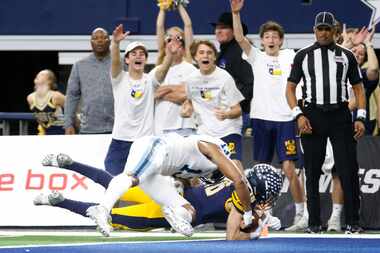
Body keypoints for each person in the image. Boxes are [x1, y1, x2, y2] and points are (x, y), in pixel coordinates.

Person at [53, 133, 254, 237]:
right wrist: (247, 213)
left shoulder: (204, 165)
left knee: (187, 210)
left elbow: (184, 175)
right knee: (132, 178)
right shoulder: (213, 148)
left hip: (158, 170)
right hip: (155, 148)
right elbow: (239, 180)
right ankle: (102, 209)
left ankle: (175, 214)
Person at [35, 159, 282, 240]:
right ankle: (58, 201)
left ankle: (69, 163)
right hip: (173, 211)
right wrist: (258, 225)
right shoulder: (242, 201)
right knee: (115, 218)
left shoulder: (236, 174)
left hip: (170, 192)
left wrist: (261, 217)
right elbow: (232, 237)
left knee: (114, 183)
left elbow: (234, 164)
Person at [285, 11, 366, 234]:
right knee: (312, 171)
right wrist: (298, 115)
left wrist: (360, 117)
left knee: (348, 169)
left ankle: (353, 222)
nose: (323, 32)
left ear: (335, 31)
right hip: (312, 116)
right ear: (314, 31)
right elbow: (290, 88)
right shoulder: (303, 55)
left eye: (327, 29)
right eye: (319, 28)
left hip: (340, 115)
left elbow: (358, 89)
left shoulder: (347, 55)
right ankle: (313, 223)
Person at [230, 0, 306, 230]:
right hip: (261, 118)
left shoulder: (291, 56)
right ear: (262, 41)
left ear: (281, 41)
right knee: (261, 170)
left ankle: (302, 214)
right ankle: (264, 214)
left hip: (286, 119)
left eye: (275, 37)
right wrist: (235, 13)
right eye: (267, 37)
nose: (271, 40)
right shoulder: (256, 57)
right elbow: (240, 38)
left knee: (290, 169)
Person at [102, 24, 175, 175]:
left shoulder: (151, 80)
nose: (138, 56)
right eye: (133, 53)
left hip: (144, 141)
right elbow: (115, 62)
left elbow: (163, 70)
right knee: (113, 180)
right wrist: (115, 43)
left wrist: (170, 55)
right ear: (127, 60)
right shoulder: (119, 78)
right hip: (120, 140)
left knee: (145, 182)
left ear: (146, 60)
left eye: (142, 53)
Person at [153, 1, 197, 136]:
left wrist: (179, 5)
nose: (173, 42)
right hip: (161, 125)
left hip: (183, 126)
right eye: (169, 38)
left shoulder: (189, 66)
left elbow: (188, 25)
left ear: (184, 46)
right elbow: (159, 26)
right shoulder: (159, 69)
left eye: (178, 38)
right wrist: (162, 8)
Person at [64, 27, 114, 135]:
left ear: (109, 41)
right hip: (89, 129)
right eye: (95, 38)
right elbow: (72, 96)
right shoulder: (79, 66)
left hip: (117, 129)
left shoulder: (120, 63)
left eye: (103, 38)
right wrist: (68, 124)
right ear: (91, 42)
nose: (100, 41)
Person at [211, 11, 253, 134]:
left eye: (223, 28)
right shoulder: (223, 52)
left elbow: (249, 84)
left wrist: (236, 107)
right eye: (217, 28)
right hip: (224, 114)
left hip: (238, 115)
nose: (218, 31)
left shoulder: (240, 52)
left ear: (235, 31)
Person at [27, 69, 65, 135]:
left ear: (49, 81)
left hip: (61, 132)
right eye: (37, 76)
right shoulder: (30, 98)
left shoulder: (56, 96)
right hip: (45, 133)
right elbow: (39, 119)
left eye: (42, 74)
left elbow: (72, 111)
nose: (38, 75)